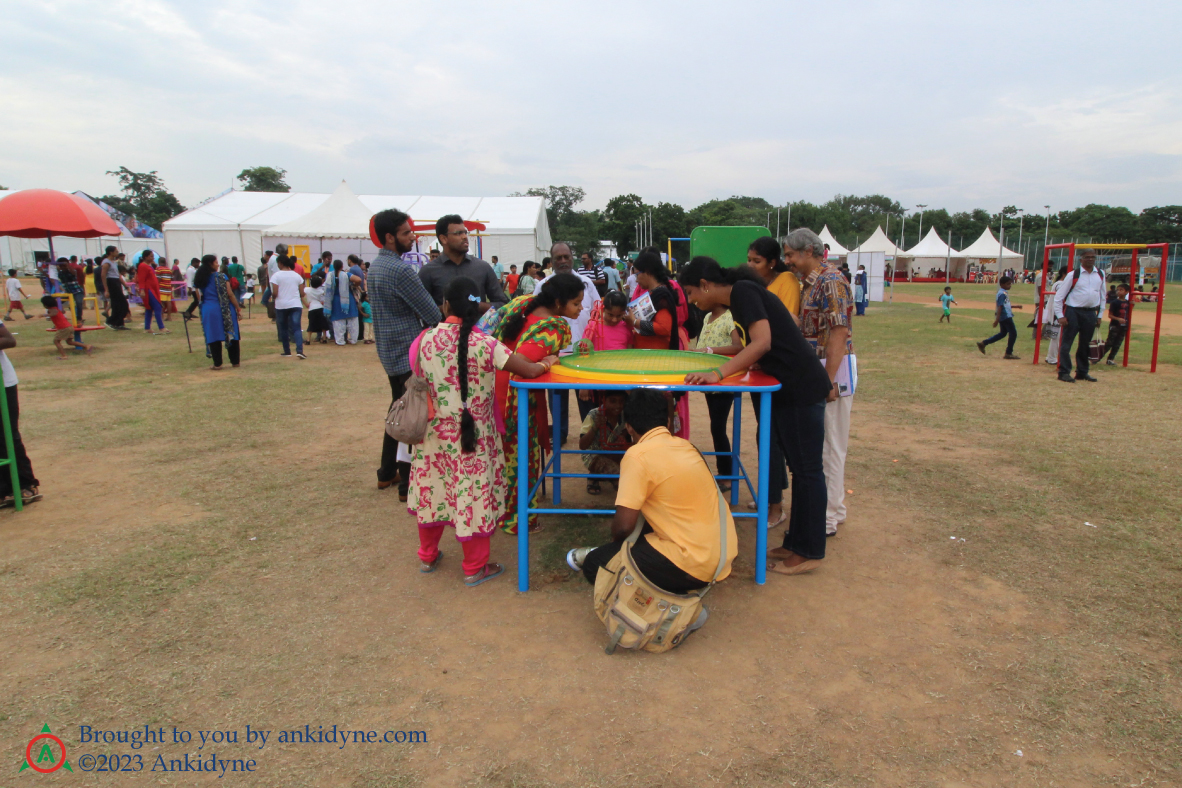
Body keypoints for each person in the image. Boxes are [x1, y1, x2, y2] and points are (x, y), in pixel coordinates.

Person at [678, 256, 831, 575]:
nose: (692, 300)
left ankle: (809, 551)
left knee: (807, 472)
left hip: (802, 388)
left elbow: (762, 343)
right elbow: (747, 347)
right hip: (788, 389)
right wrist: (707, 356)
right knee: (800, 470)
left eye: (692, 292)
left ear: (705, 285)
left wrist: (717, 374)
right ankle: (795, 543)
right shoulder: (738, 299)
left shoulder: (744, 292)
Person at [410, 276, 557, 585]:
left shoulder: (424, 339)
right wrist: (548, 362)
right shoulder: (487, 344)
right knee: (473, 495)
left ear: (446, 305)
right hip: (474, 438)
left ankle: (427, 556)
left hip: (434, 434)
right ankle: (475, 567)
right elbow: (528, 369)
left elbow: (417, 372)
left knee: (433, 489)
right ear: (478, 309)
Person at [567, 389, 737, 601]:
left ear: (628, 426)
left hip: (693, 566)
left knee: (595, 564)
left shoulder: (637, 455)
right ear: (667, 421)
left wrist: (614, 549)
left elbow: (623, 527)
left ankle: (666, 606)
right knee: (645, 524)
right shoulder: (688, 446)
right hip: (722, 554)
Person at [493, 272, 586, 534]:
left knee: (501, 455)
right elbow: (523, 363)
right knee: (521, 456)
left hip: (492, 384)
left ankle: (502, 512)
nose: (581, 308)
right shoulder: (554, 327)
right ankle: (518, 521)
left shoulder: (522, 303)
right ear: (558, 302)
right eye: (576, 303)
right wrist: (548, 361)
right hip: (515, 395)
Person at [368, 209, 443, 499]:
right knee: (412, 415)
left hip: (389, 351)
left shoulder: (376, 267)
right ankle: (406, 483)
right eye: (406, 233)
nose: (412, 237)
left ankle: (387, 473)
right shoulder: (400, 271)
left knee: (398, 409)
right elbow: (431, 313)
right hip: (408, 354)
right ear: (390, 238)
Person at [788, 228, 856, 540]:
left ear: (809, 252)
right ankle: (833, 510)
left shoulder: (830, 281)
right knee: (827, 445)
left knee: (829, 447)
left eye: (791, 254)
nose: (787, 260)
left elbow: (839, 333)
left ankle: (826, 517)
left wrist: (827, 380)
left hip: (830, 373)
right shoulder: (807, 284)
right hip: (818, 372)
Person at [540, 242, 599, 444]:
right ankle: (559, 434)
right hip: (554, 354)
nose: (563, 261)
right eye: (558, 258)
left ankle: (589, 434)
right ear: (552, 260)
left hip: (583, 352)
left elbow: (596, 313)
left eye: (566, 257)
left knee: (586, 397)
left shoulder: (586, 283)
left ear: (572, 257)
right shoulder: (543, 286)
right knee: (557, 398)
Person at [691, 294, 743, 490]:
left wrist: (709, 351)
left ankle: (727, 475)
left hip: (724, 380)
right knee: (716, 425)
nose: (696, 301)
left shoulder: (729, 318)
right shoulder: (707, 317)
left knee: (718, 427)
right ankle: (725, 473)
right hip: (709, 380)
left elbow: (738, 347)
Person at [418, 215, 508, 308]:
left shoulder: (483, 267)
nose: (465, 237)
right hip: (443, 322)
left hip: (477, 322)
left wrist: (477, 306)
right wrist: (450, 309)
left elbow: (502, 304)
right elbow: (420, 310)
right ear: (443, 239)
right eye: (458, 233)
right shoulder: (428, 272)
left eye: (465, 232)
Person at [0, 320, 41, 506]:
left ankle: (24, 484)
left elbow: (9, 340)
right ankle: (3, 489)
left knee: (7, 435)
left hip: (2, 384)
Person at [1053, 249, 1106, 383]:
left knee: (1085, 344)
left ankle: (1082, 372)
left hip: (1090, 313)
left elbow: (1102, 296)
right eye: (1087, 257)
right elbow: (1059, 297)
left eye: (1093, 257)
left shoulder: (1100, 274)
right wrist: (1060, 315)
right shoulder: (1073, 275)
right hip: (1073, 312)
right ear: (1081, 259)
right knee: (1067, 343)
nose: (1090, 260)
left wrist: (1099, 314)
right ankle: (1064, 372)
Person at [577, 391, 632, 497]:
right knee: (617, 474)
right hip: (594, 454)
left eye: (621, 402)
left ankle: (599, 476)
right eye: (613, 401)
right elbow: (582, 446)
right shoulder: (593, 414)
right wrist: (595, 427)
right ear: (604, 401)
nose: (618, 406)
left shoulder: (625, 415)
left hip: (615, 451)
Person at [194, 254, 242, 370]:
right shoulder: (221, 277)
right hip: (225, 309)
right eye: (216, 262)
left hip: (209, 309)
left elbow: (199, 297)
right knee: (231, 334)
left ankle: (218, 363)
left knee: (213, 336)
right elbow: (230, 294)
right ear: (211, 264)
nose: (218, 264)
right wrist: (238, 308)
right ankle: (235, 362)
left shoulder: (199, 278)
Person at [977, 276, 1021, 359]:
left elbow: (1005, 305)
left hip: (1005, 316)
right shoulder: (1002, 294)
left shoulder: (1003, 292)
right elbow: (1000, 306)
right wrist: (997, 319)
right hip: (1005, 316)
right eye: (1008, 284)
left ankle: (983, 343)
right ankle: (1008, 353)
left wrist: (1015, 306)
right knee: (1013, 333)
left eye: (1010, 284)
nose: (1010, 286)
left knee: (1003, 333)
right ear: (1002, 284)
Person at [271, 254, 306, 359]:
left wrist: (273, 298)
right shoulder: (296, 276)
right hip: (295, 304)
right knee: (296, 328)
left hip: (281, 305)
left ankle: (287, 351)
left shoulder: (276, 276)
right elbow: (302, 293)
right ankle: (299, 350)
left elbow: (275, 292)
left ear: (280, 263)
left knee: (283, 328)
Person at [325, 259, 362, 345]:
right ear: (342, 266)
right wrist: (353, 285)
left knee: (338, 322)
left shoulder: (330, 275)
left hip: (336, 301)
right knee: (352, 321)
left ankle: (340, 341)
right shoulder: (346, 275)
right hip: (348, 300)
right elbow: (359, 280)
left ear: (333, 267)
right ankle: (353, 340)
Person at [135, 250, 168, 335]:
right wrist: (142, 290)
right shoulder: (143, 266)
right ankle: (161, 327)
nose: (153, 258)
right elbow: (141, 279)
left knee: (149, 308)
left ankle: (147, 328)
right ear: (145, 257)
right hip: (148, 289)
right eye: (151, 256)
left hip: (153, 289)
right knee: (157, 307)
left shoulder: (150, 266)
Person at [100, 246, 130, 329]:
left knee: (120, 304)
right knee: (119, 303)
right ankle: (111, 321)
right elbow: (103, 275)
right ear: (111, 252)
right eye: (116, 251)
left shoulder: (114, 262)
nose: (117, 253)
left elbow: (118, 275)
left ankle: (119, 323)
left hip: (116, 282)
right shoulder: (106, 262)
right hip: (111, 282)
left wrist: (126, 286)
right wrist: (106, 290)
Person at [1042, 267, 1066, 366]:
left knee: (1056, 337)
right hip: (1058, 313)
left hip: (1057, 313)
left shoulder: (1058, 284)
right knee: (1056, 337)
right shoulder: (1060, 284)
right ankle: (1051, 358)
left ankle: (1050, 357)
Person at [1102, 282, 1131, 365]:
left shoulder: (1128, 303)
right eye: (1118, 290)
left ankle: (1110, 359)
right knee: (1109, 343)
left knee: (1117, 343)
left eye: (1121, 290)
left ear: (1126, 292)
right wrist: (1118, 319)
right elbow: (1110, 315)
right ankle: (1097, 357)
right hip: (1115, 325)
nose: (1118, 291)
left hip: (1124, 326)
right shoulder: (1114, 302)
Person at [304, 274, 329, 344]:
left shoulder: (307, 290)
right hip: (320, 308)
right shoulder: (321, 291)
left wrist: (306, 303)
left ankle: (308, 340)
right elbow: (323, 301)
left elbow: (301, 294)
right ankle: (324, 338)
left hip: (312, 308)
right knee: (323, 323)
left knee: (311, 324)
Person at [257, 254, 274, 321]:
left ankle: (269, 306)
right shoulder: (268, 266)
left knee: (264, 294)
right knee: (266, 295)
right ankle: (270, 304)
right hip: (268, 282)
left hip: (264, 282)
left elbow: (259, 275)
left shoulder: (260, 268)